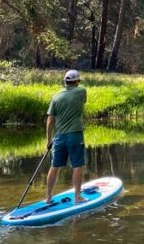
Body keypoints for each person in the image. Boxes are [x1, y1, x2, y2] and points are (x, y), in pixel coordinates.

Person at [45, 69, 88, 204]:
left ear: (65, 82)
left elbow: (50, 120)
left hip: (59, 137)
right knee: (78, 165)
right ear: (77, 81)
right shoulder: (81, 91)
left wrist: (49, 140)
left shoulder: (56, 97)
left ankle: (48, 197)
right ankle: (77, 197)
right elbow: (83, 102)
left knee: (55, 166)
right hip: (75, 135)